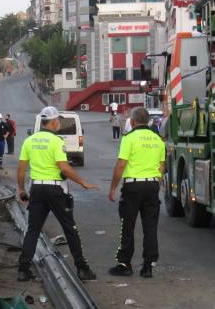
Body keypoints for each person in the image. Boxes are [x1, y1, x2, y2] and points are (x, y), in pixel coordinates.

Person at [16, 106, 98, 282]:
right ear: (53, 122)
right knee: (70, 229)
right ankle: (82, 269)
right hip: (55, 190)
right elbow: (64, 168)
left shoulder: (29, 141)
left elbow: (21, 168)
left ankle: (23, 270)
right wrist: (83, 182)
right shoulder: (56, 141)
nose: (58, 123)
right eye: (58, 120)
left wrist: (21, 189)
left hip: (37, 189)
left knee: (33, 230)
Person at [107, 107, 165, 278]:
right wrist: (155, 183)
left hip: (133, 187)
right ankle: (148, 266)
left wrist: (113, 188)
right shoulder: (158, 140)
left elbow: (121, 164)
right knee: (150, 227)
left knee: (128, 225)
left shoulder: (129, 138)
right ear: (147, 121)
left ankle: (125, 264)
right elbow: (161, 167)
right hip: (152, 186)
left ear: (132, 122)